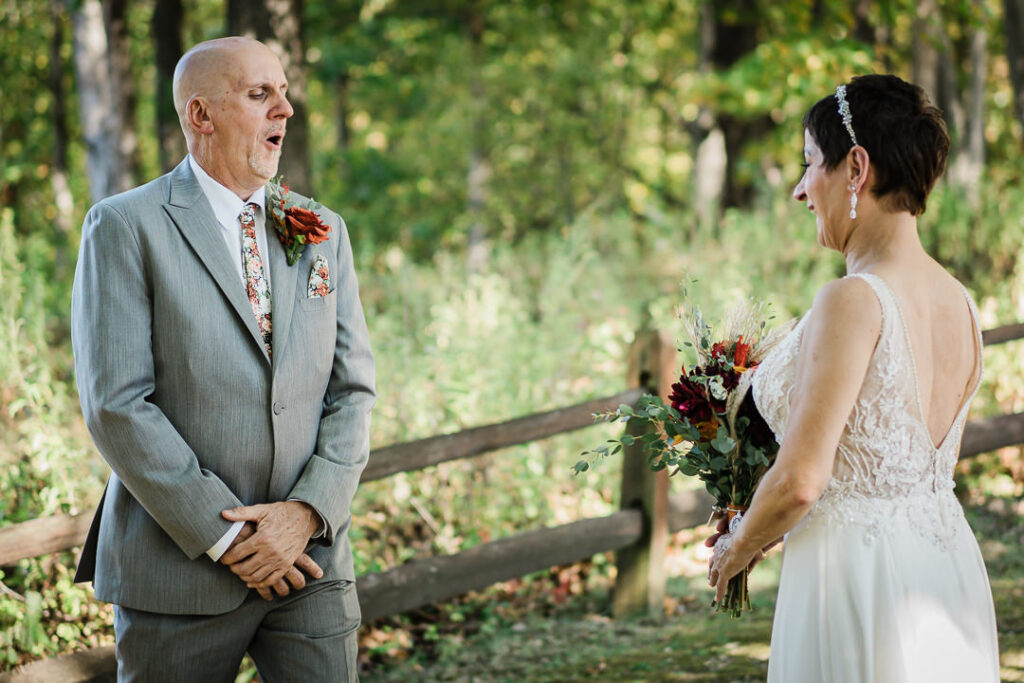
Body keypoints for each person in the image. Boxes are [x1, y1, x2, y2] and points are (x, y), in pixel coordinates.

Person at [71, 36, 374, 682]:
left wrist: (306, 511)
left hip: (310, 557)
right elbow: (116, 403)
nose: (286, 110)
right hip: (180, 569)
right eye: (260, 94)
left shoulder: (322, 230)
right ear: (201, 116)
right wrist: (230, 536)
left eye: (284, 92)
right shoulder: (125, 226)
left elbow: (353, 391)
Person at [706, 74, 999, 681]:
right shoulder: (963, 304)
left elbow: (803, 482)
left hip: (858, 581)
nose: (799, 189)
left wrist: (736, 549)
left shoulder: (852, 300)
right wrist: (759, 519)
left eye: (811, 162)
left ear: (856, 168)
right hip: (946, 575)